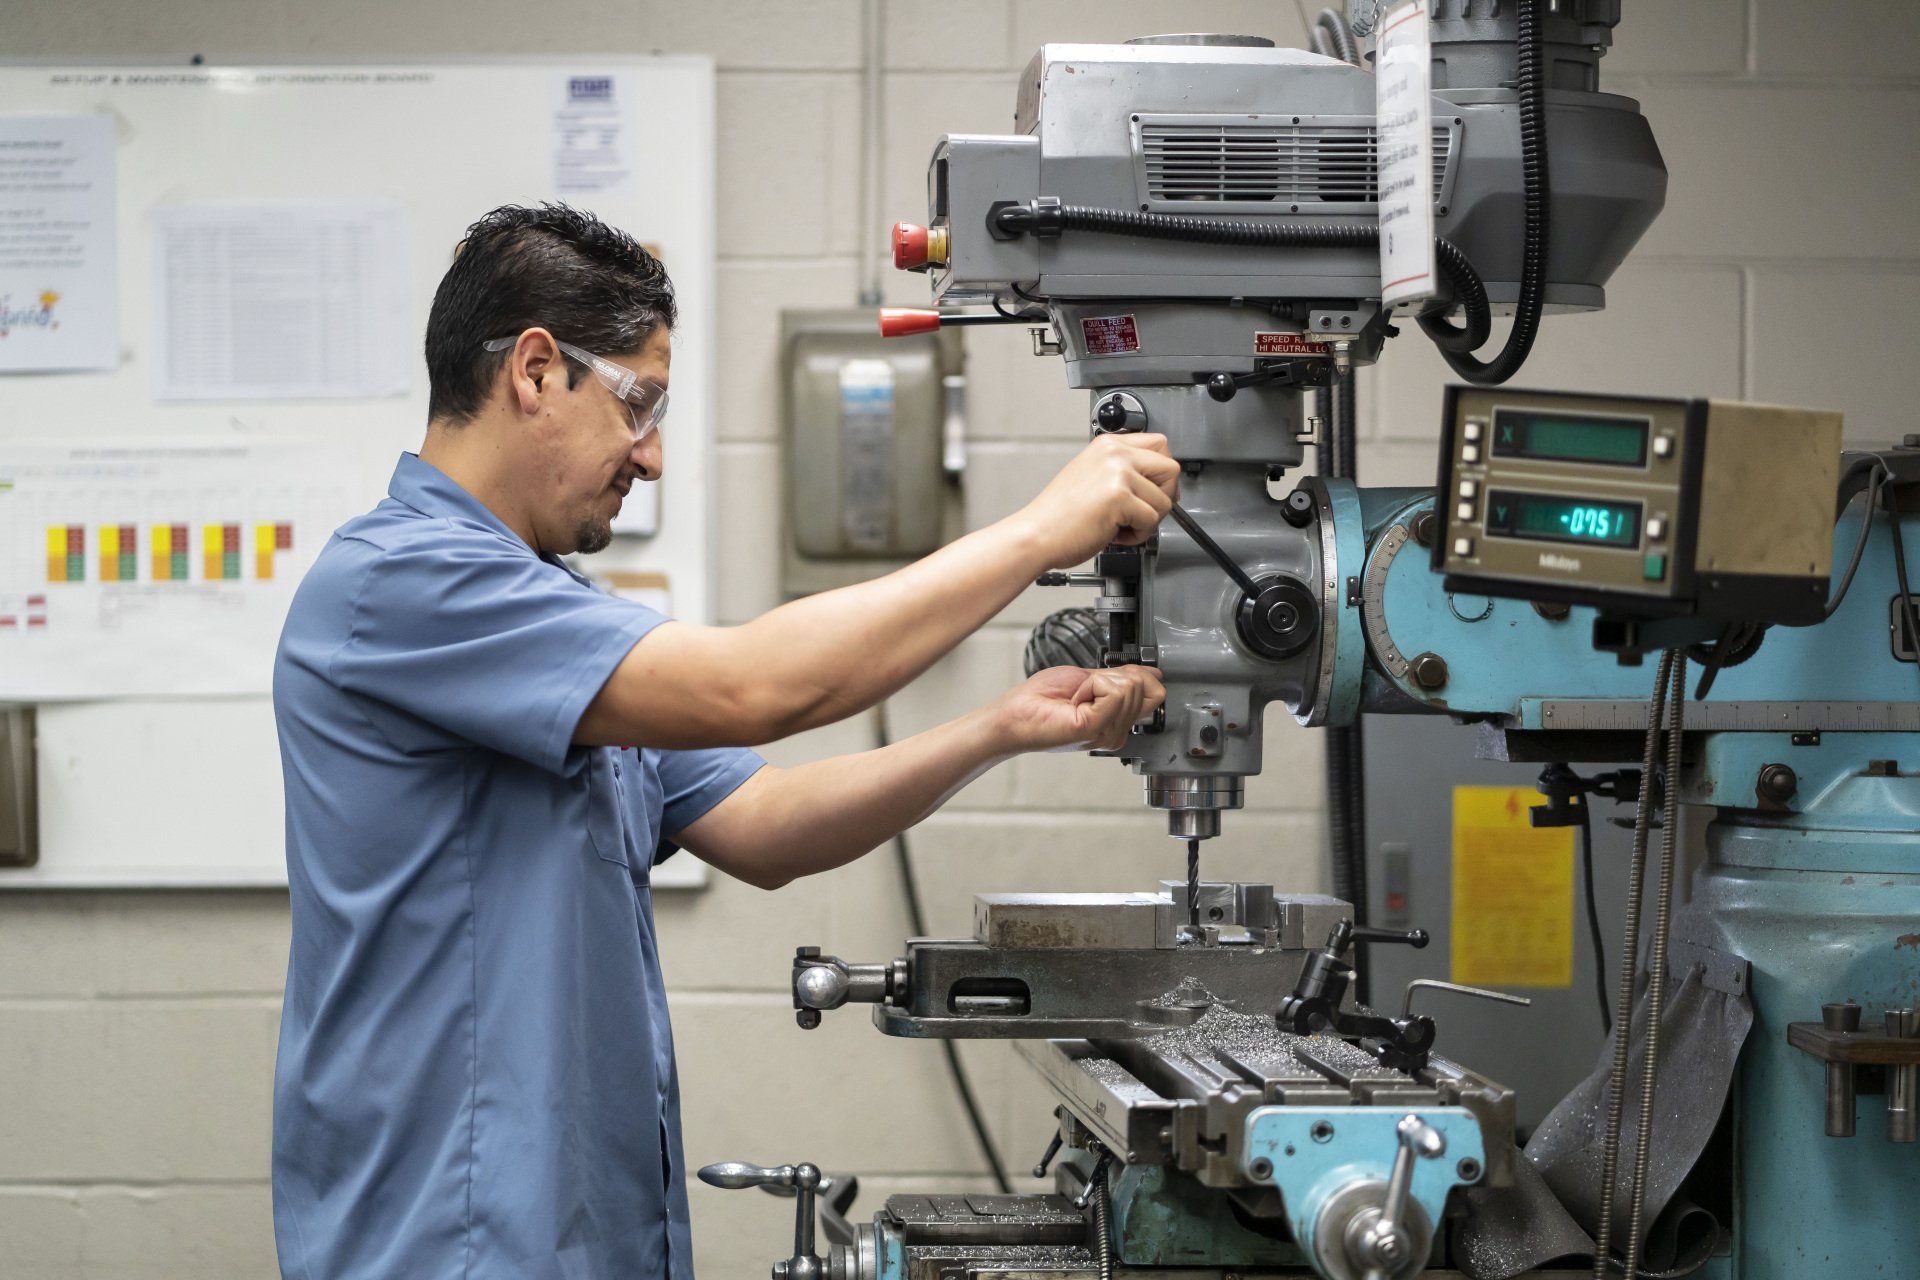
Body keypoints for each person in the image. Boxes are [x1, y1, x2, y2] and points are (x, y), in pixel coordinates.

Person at [269, 204, 1176, 1280]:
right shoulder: (402, 584)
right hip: (451, 1237)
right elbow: (760, 686)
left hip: (576, 1232)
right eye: (638, 404)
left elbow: (764, 824)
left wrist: (999, 729)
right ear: (535, 370)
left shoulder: (546, 607)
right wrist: (1041, 530)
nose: (650, 456)